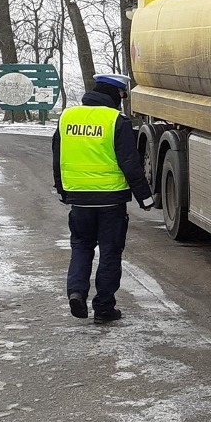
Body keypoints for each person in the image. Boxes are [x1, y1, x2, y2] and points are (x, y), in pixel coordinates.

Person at [52, 73, 154, 323]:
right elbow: (130, 163)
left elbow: (57, 157)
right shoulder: (115, 121)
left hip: (79, 201)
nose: (122, 101)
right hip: (111, 202)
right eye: (122, 96)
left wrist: (63, 190)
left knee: (81, 247)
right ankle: (104, 308)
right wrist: (145, 198)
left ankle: (76, 291)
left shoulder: (67, 117)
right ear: (114, 94)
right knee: (109, 253)